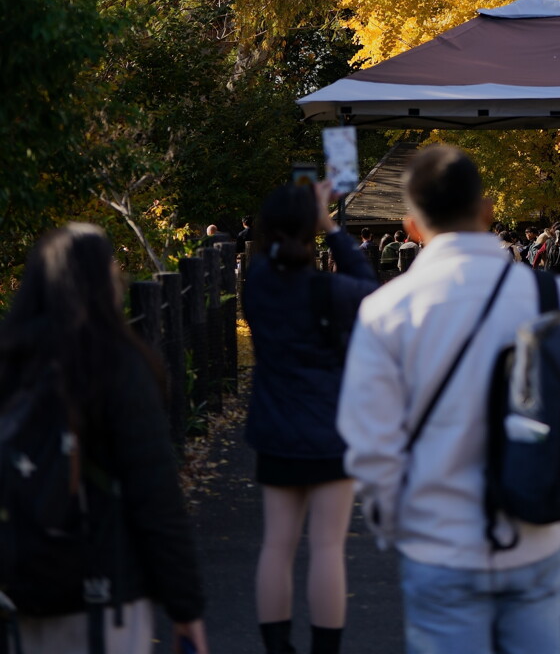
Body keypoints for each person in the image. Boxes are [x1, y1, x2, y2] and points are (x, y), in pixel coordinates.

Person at [339, 144, 560, 654]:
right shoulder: (554, 298)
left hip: (436, 540)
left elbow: (367, 443)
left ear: (411, 226)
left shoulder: (386, 312)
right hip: (534, 536)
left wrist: (393, 520)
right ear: (488, 210)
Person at [0, 223, 207, 654]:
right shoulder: (116, 365)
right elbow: (155, 496)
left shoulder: (13, 363)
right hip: (105, 588)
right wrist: (185, 607)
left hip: (20, 590)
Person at [243, 179, 377, 654]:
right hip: (329, 430)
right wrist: (333, 228)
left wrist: (306, 214)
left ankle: (276, 647)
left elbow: (273, 260)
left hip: (275, 428)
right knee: (326, 547)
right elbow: (370, 290)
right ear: (310, 229)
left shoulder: (256, 282)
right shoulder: (329, 291)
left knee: (276, 545)